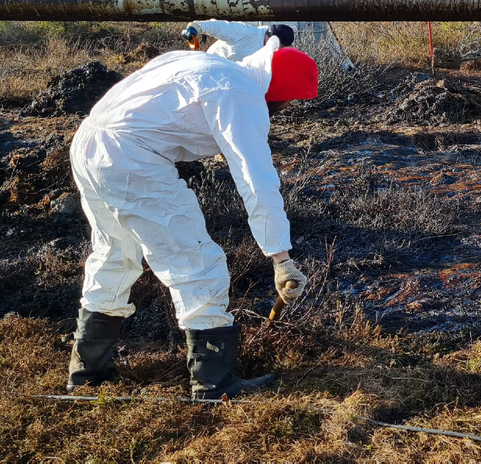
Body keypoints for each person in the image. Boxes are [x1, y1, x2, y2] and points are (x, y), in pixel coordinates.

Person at [65, 36, 318, 400]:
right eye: (289, 100)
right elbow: (256, 180)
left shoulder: (207, 65)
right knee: (196, 262)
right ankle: (214, 384)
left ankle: (87, 373)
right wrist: (281, 258)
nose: (286, 108)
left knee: (114, 255)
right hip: (132, 157)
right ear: (279, 92)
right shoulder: (242, 94)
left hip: (89, 143)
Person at [182, 20, 294, 62]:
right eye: (279, 45)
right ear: (270, 37)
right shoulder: (244, 32)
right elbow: (218, 26)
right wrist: (196, 27)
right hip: (214, 65)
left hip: (237, 79)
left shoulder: (273, 52)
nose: (278, 50)